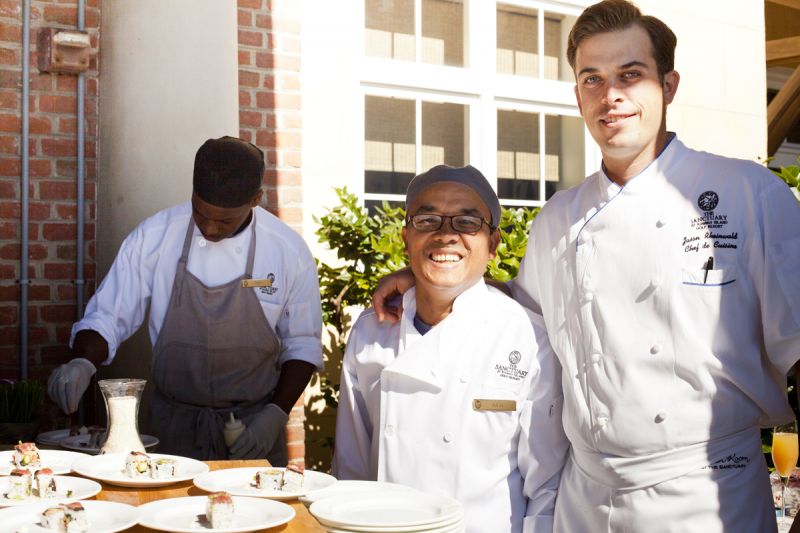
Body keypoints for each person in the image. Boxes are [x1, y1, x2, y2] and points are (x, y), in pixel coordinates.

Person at [371, 1, 800, 531]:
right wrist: (426, 277)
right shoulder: (558, 217)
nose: (611, 95)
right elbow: (522, 320)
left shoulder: (748, 194)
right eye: (592, 78)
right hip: (585, 496)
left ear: (668, 86)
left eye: (631, 75)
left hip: (707, 491)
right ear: (577, 96)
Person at [47, 136, 323, 464]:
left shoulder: (287, 250)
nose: (208, 227)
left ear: (256, 200)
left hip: (252, 432)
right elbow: (108, 316)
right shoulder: (154, 236)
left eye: (224, 221)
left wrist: (275, 414)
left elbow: (302, 344)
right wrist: (82, 362)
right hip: (170, 428)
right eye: (200, 213)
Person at [333, 165, 568, 533]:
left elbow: (547, 487)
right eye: (428, 220)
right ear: (406, 236)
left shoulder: (527, 338)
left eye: (467, 222)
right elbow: (351, 470)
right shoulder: (370, 334)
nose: (446, 235)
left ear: (492, 244)